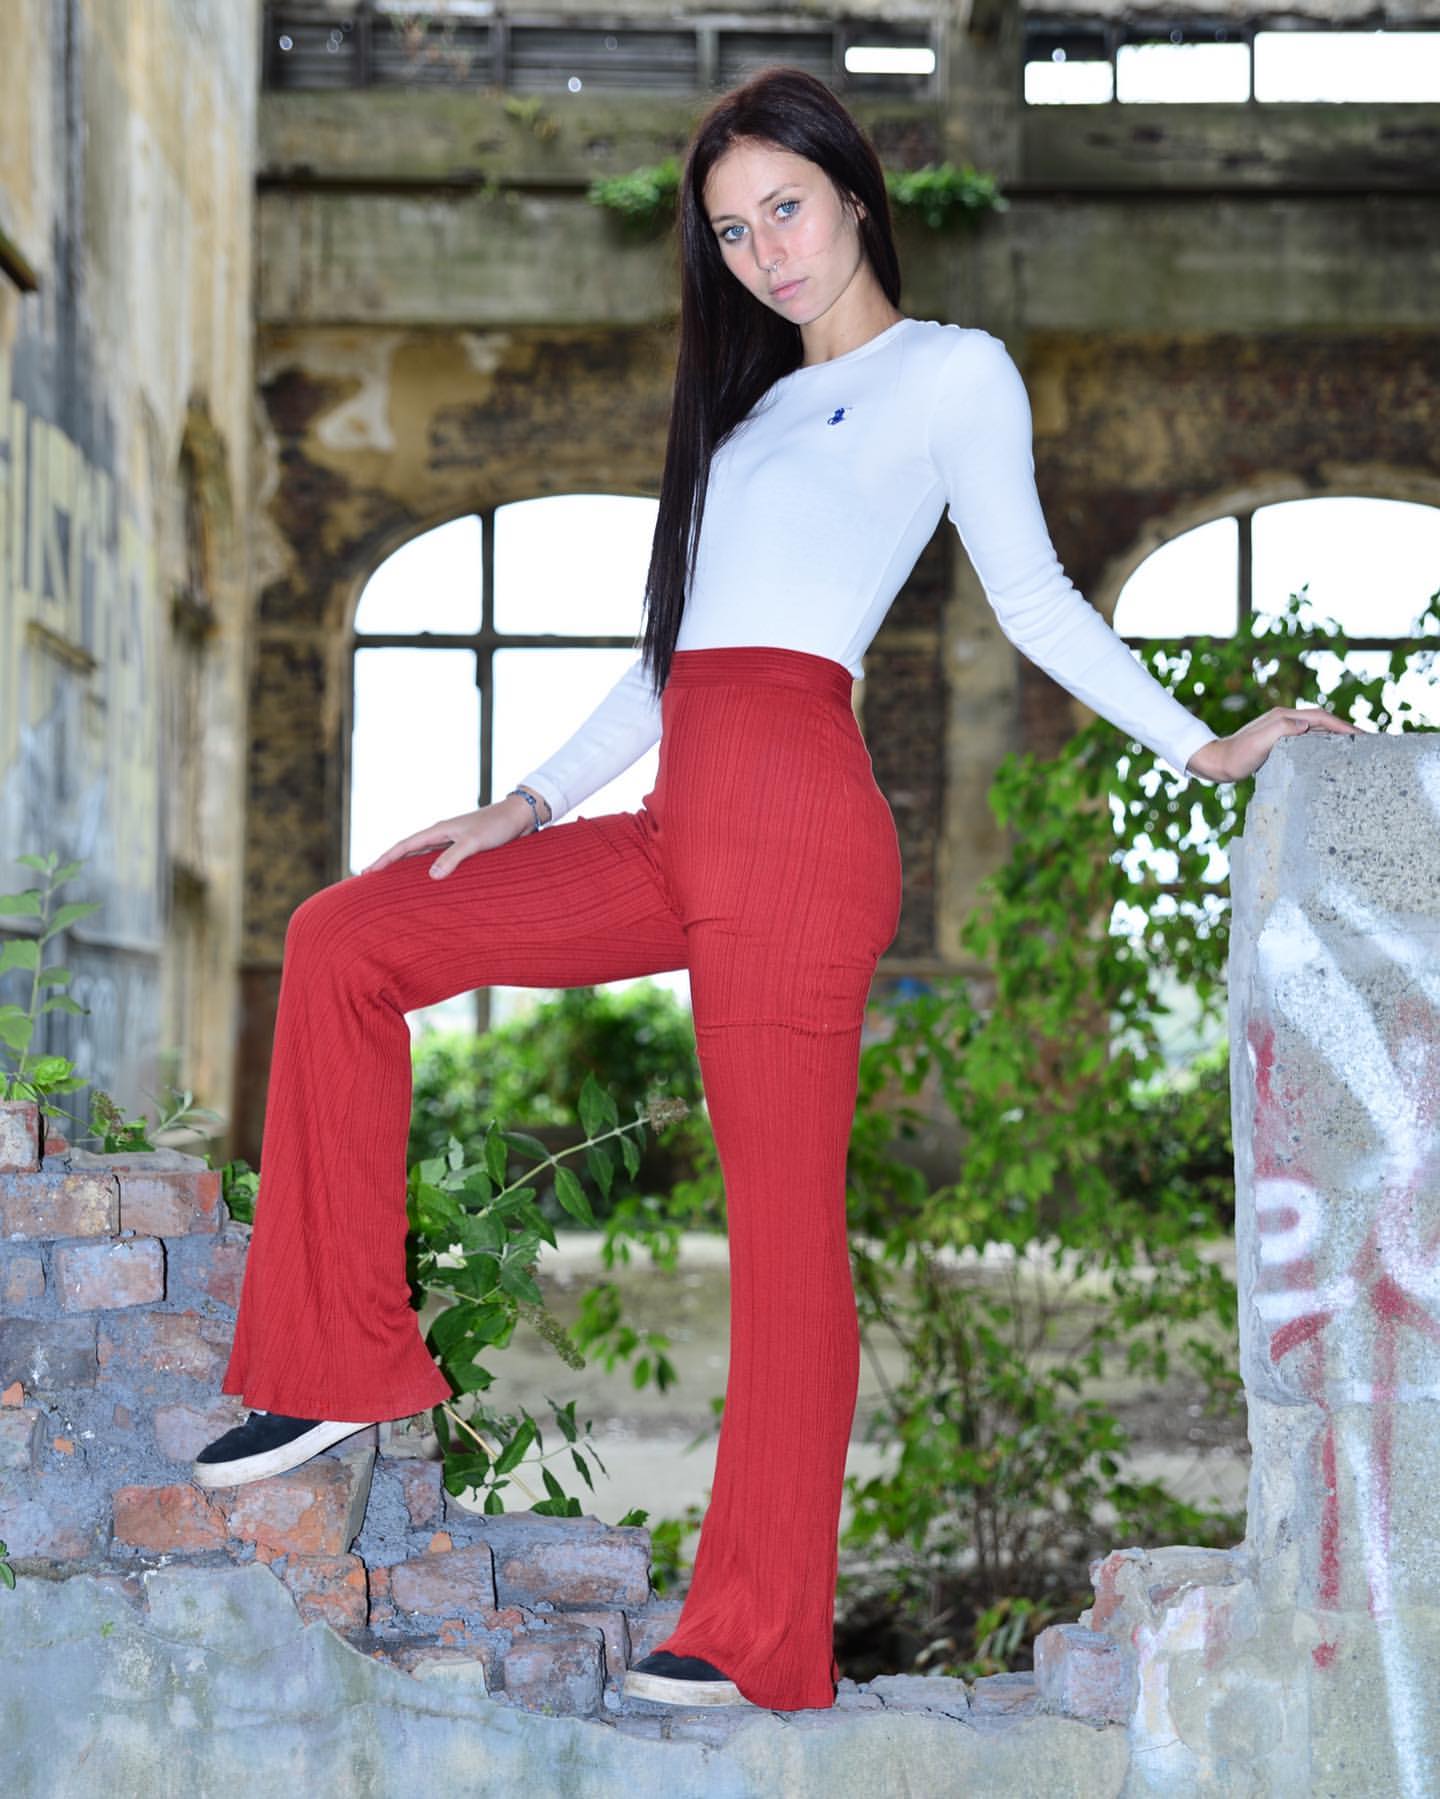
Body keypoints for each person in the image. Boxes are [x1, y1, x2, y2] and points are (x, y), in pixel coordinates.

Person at [190, 67, 1361, 1711]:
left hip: (800, 834)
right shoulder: (739, 420)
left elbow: (1034, 600)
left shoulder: (951, 374)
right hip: (676, 816)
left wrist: (1205, 747)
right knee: (346, 936)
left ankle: (756, 1635)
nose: (765, 251)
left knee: (782, 1235)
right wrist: (521, 804)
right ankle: (335, 1361)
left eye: (786, 209)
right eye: (733, 232)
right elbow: (666, 661)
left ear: (854, 195)